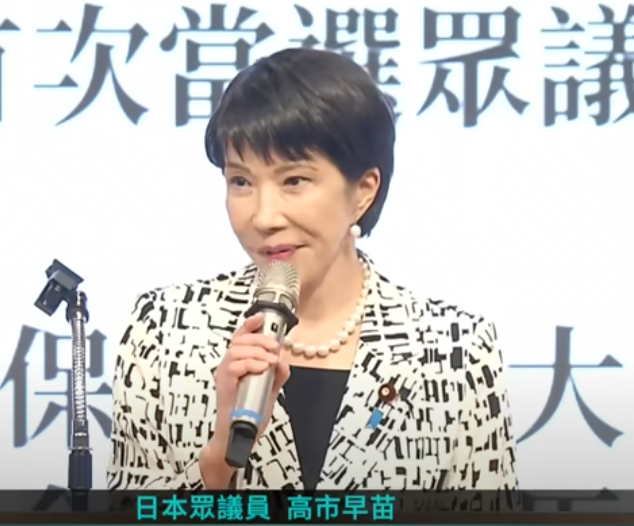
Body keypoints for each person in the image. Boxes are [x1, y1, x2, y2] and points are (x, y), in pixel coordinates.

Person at [106, 47, 519, 508]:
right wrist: (218, 460)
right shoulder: (165, 331)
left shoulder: (454, 350)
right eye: (240, 181)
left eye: (294, 181)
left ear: (363, 191)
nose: (264, 217)